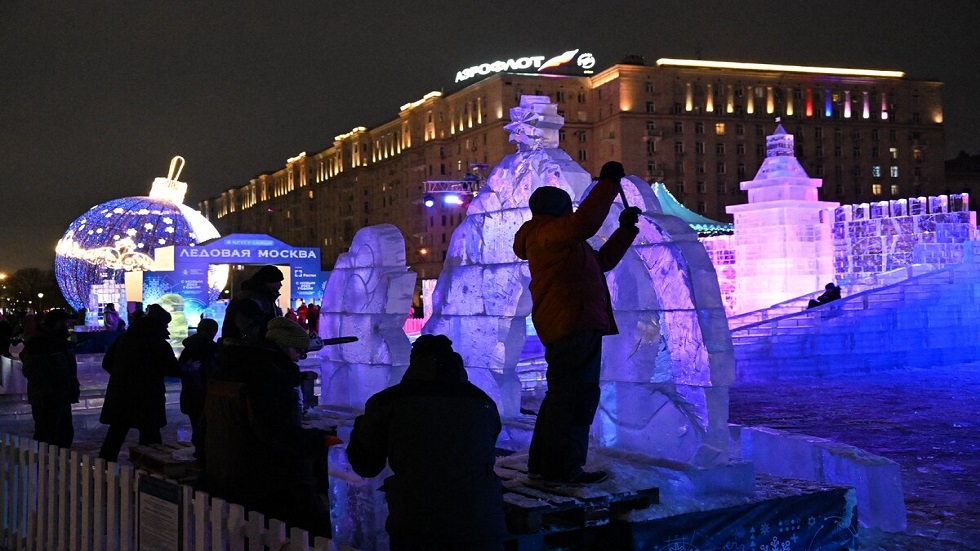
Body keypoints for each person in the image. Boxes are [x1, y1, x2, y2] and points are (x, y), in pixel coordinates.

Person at [512, 161, 642, 485]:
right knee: (576, 399)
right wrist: (609, 182)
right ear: (553, 209)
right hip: (572, 323)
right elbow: (585, 221)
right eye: (565, 206)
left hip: (570, 322)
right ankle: (564, 469)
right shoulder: (548, 232)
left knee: (561, 397)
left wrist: (625, 230)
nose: (570, 210)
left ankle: (544, 464)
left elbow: (602, 262)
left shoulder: (559, 240)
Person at [347, 334, 508, 550]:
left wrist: (361, 427)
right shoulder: (482, 402)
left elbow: (365, 464)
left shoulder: (388, 402)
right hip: (483, 522)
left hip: (418, 524)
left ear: (414, 362)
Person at [206, 317, 333, 538]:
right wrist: (315, 440)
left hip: (226, 463)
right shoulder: (269, 374)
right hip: (260, 473)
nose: (299, 357)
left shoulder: (242, 365)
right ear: (285, 347)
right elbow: (274, 429)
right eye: (298, 351)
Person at [98, 304, 179, 462]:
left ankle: (104, 468)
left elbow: (107, 363)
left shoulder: (124, 339)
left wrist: (121, 376)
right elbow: (172, 369)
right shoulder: (158, 343)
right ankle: (149, 469)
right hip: (148, 397)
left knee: (116, 434)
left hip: (122, 395)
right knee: (151, 437)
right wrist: (187, 369)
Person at [20, 309, 80, 448]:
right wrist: (48, 389)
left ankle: (60, 462)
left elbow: (68, 366)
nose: (67, 325)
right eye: (65, 322)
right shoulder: (39, 342)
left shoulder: (61, 341)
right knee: (47, 433)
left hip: (61, 394)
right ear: (57, 323)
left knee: (64, 431)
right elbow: (31, 369)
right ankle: (45, 464)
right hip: (47, 397)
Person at [177, 318, 220, 459]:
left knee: (197, 425)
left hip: (192, 394)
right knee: (205, 426)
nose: (213, 333)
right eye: (211, 330)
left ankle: (200, 452)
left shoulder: (190, 348)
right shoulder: (211, 349)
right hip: (205, 394)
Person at [221, 265, 284, 340]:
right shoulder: (249, 300)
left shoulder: (262, 298)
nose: (280, 285)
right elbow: (251, 330)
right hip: (246, 348)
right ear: (269, 282)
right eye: (278, 281)